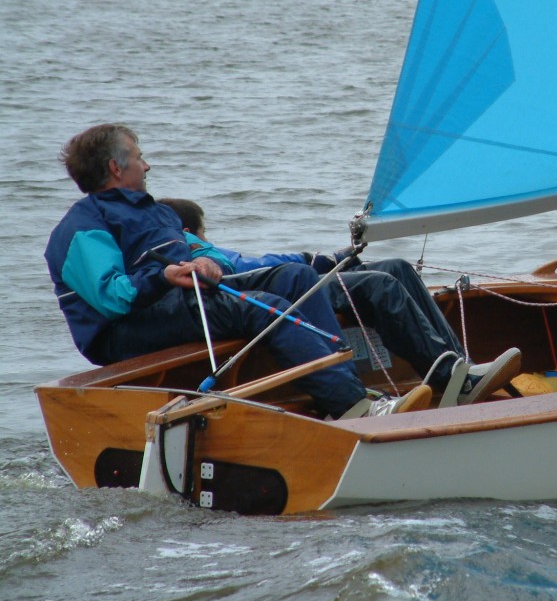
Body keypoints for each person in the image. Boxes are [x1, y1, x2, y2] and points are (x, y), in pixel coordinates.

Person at [44, 124, 430, 419]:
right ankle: (352, 407)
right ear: (116, 166)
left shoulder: (155, 213)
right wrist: (164, 277)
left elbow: (215, 257)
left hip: (179, 300)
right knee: (262, 307)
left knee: (296, 280)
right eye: (140, 156)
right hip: (126, 328)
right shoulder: (81, 228)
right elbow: (115, 297)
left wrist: (307, 260)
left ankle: (355, 390)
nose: (147, 165)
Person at [158, 197, 522, 407]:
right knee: (380, 285)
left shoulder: (195, 247)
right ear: (191, 232)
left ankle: (460, 369)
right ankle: (447, 377)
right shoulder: (194, 250)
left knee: (397, 266)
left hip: (292, 278)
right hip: (289, 289)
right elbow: (250, 268)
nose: (208, 237)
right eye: (205, 231)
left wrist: (327, 257)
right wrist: (319, 259)